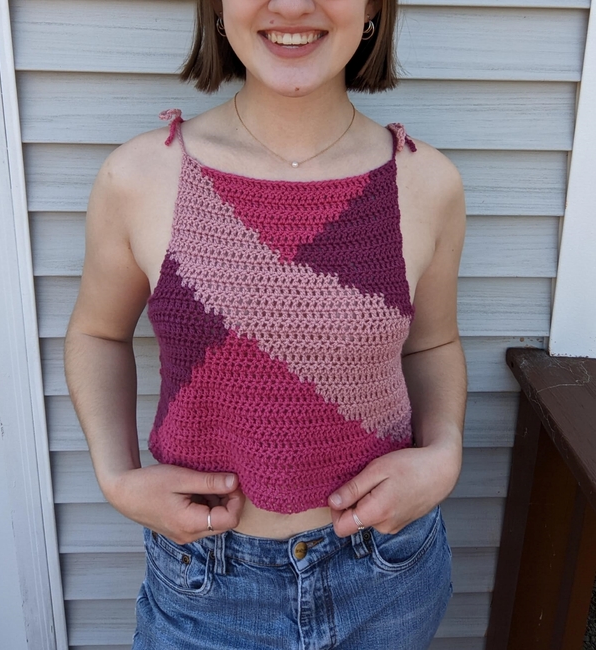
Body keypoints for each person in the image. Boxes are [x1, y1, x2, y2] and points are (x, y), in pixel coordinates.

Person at [64, 0, 467, 647]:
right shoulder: (140, 176)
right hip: (206, 584)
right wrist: (116, 477)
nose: (292, 5)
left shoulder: (425, 181)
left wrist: (444, 453)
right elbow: (97, 333)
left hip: (388, 573)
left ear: (371, 7)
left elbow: (433, 344)